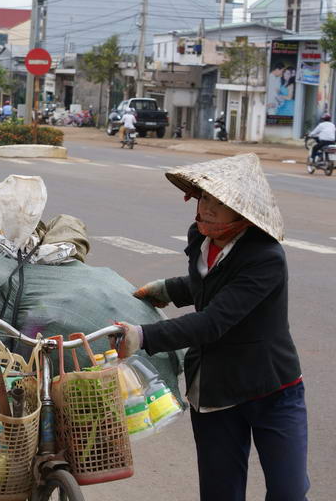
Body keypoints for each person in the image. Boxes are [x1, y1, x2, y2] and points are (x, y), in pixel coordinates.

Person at [113, 153, 308, 501]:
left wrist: (143, 336)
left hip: (271, 388)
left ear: (243, 212)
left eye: (221, 202)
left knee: (288, 492)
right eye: (205, 197)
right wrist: (169, 289)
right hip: (215, 391)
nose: (208, 208)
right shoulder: (200, 237)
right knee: (220, 493)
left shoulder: (265, 256)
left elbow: (216, 320)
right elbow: (207, 284)